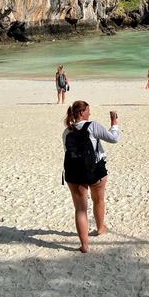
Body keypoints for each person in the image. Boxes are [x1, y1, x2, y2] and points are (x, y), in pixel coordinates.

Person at [63, 101, 119, 253]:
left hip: (74, 173)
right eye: (88, 110)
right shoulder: (92, 126)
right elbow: (114, 138)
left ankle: (84, 245)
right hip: (95, 170)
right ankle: (100, 227)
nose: (90, 113)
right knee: (98, 200)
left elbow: (68, 151)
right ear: (82, 113)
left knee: (80, 210)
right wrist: (114, 122)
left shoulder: (67, 131)